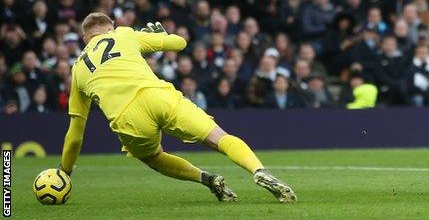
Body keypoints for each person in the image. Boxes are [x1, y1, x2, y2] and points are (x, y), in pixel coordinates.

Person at [59, 13, 296, 203]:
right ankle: (258, 170)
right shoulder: (123, 34)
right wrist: (162, 36)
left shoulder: (78, 69)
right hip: (159, 96)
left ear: (85, 39)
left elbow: (75, 135)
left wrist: (65, 173)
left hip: (127, 118)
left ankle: (207, 179)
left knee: (154, 157)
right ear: (110, 27)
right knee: (217, 137)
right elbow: (180, 43)